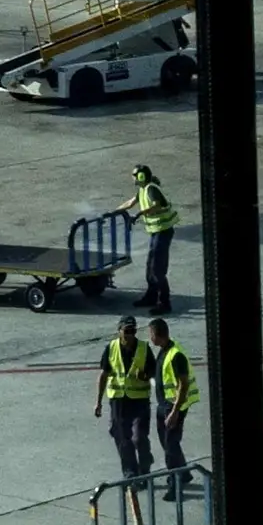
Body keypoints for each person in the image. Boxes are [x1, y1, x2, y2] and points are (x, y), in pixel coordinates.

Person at [94, 317, 154, 480]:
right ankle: (130, 473)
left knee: (138, 437)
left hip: (139, 400)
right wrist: (98, 402)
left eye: (133, 331)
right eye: (127, 331)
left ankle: (145, 467)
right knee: (122, 438)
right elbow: (104, 375)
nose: (130, 335)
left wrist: (144, 375)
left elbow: (153, 371)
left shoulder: (144, 348)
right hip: (119, 401)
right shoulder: (111, 348)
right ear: (119, 331)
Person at [149, 318, 196, 486]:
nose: (150, 338)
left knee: (170, 444)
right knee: (168, 442)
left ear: (156, 334)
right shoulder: (164, 350)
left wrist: (175, 412)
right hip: (164, 404)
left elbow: (183, 384)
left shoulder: (175, 355)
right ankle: (183, 473)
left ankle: (174, 480)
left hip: (173, 406)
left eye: (151, 334)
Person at [130, 164, 178, 313]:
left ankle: (164, 303)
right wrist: (115, 211)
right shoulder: (143, 190)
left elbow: (157, 205)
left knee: (157, 270)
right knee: (150, 267)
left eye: (134, 175)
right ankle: (151, 297)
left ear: (141, 176)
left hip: (163, 232)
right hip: (156, 232)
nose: (132, 178)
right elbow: (131, 202)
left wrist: (140, 213)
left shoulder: (151, 189)